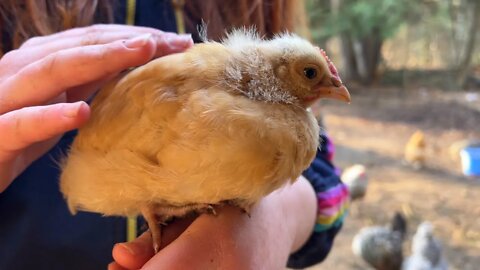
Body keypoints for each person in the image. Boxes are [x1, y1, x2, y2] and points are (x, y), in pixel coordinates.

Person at [0, 1, 348, 269]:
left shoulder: (260, 14)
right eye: (310, 74)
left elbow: (331, 190)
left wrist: (279, 220)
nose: (329, 86)